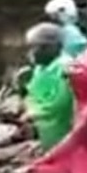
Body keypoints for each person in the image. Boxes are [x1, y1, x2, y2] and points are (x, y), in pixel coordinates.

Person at [23, 22, 76, 151]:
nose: (30, 53)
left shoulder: (66, 68)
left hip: (63, 132)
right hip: (46, 133)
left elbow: (61, 103)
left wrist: (33, 114)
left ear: (51, 47)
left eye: (34, 48)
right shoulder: (40, 68)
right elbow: (33, 94)